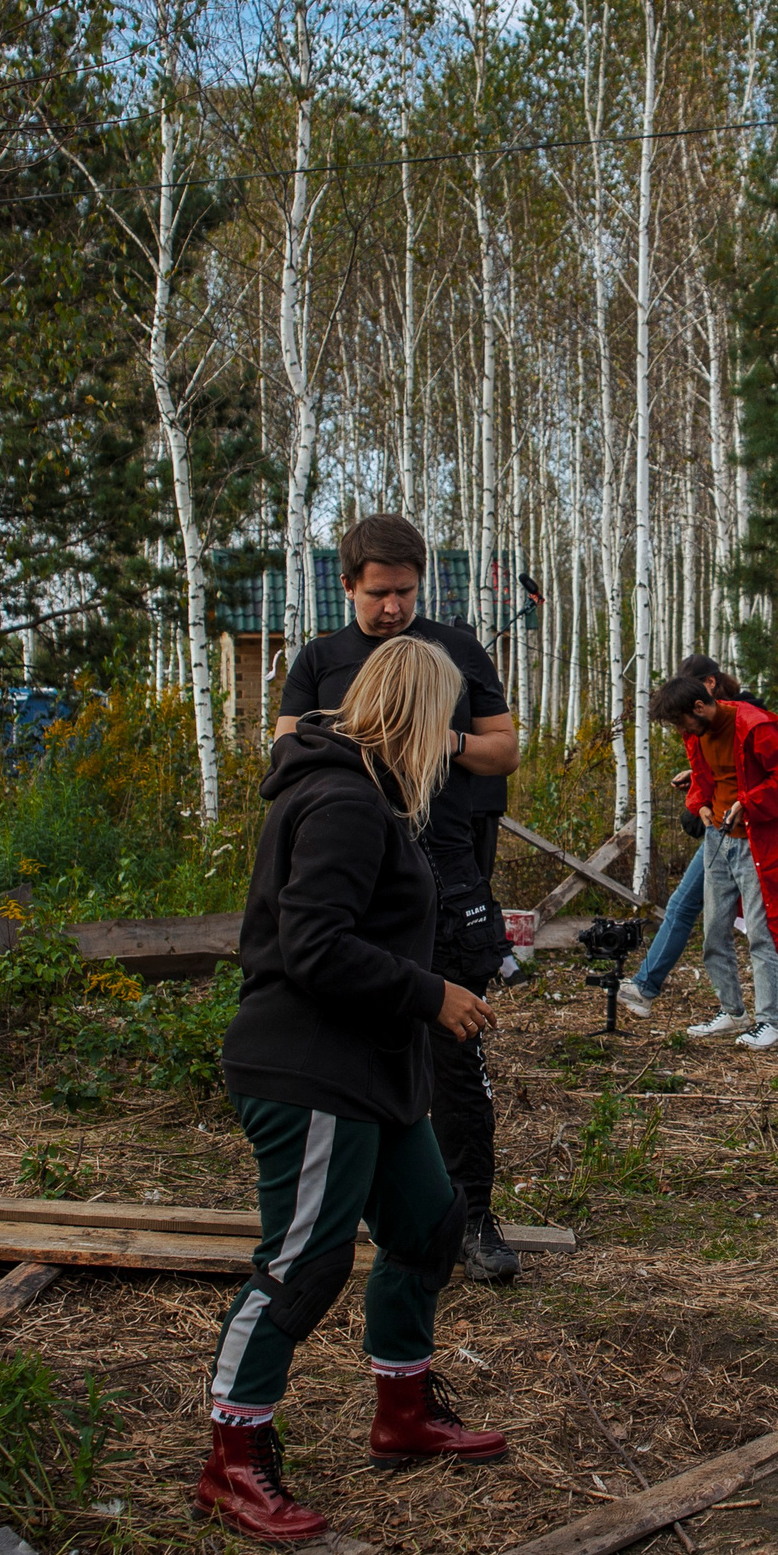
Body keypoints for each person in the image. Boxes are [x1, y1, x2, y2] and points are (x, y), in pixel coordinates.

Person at [205, 634, 511, 1543]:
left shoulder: (374, 795)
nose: (456, 741)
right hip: (311, 1068)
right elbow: (313, 947)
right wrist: (433, 996)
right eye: (448, 721)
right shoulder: (340, 799)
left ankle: (403, 1413)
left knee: (427, 1226)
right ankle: (232, 1460)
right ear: (419, 717)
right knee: (304, 1266)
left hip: (372, 1069)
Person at [277, 515, 525, 1283]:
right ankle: (371, 1206)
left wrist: (436, 737)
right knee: (359, 1034)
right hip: (356, 866)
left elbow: (504, 747)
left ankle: (471, 1216)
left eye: (406, 592)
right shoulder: (319, 659)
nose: (393, 608)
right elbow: (287, 752)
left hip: (445, 867)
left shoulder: (456, 648)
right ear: (347, 585)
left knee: (454, 1047)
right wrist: (362, 738)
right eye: (379, 594)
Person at [620, 656, 778, 1023]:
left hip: (757, 836)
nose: (682, 728)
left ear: (706, 691)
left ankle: (770, 1016)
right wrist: (698, 802)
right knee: (716, 926)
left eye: (682, 719)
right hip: (721, 833)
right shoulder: (696, 731)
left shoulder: (751, 721)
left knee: (755, 924)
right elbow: (706, 775)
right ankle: (749, 1006)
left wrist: (747, 804)